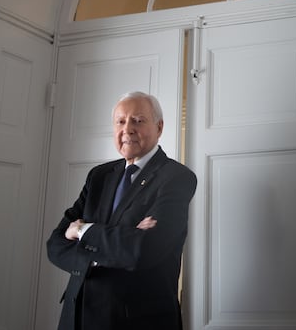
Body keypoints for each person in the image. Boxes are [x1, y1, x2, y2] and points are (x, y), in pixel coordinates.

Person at [47, 91, 197, 330]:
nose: (127, 129)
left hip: (135, 321)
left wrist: (84, 230)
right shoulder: (99, 176)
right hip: (77, 317)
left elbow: (144, 250)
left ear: (159, 127)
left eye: (138, 120)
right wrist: (114, 247)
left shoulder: (176, 177)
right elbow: (55, 244)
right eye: (120, 121)